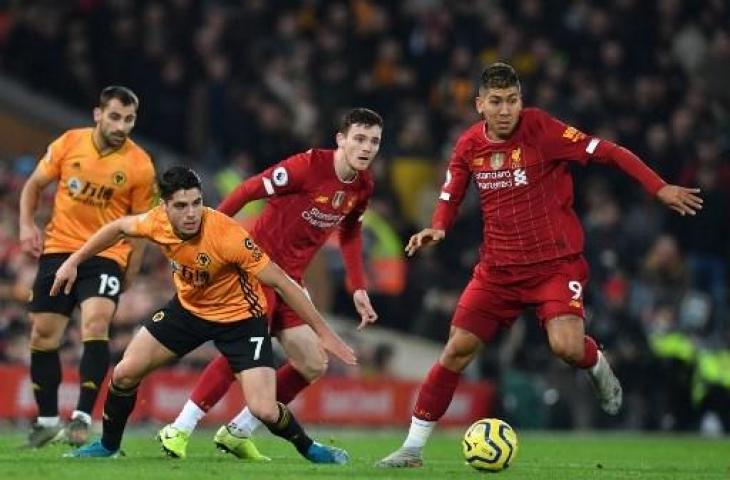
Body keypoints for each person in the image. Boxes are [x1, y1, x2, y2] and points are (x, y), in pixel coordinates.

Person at [376, 63, 703, 468]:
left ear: (521, 102)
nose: (505, 110)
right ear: (480, 105)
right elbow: (450, 193)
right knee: (456, 350)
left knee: (565, 347)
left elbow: (608, 151)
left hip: (554, 266)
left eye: (512, 100)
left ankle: (597, 363)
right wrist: (438, 228)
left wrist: (659, 187)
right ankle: (411, 448)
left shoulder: (542, 130)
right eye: (496, 102)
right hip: (497, 271)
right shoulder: (468, 146)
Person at [54, 166, 354, 463]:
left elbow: (281, 282)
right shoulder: (155, 222)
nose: (191, 213)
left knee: (264, 408)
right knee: (123, 374)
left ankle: (310, 449)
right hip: (188, 311)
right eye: (181, 206)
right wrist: (74, 261)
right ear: (165, 207)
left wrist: (324, 332)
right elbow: (118, 227)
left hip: (241, 321)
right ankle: (108, 446)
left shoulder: (226, 235)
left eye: (197, 203)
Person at [157, 108, 382, 460]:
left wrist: (358, 287)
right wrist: (206, 234)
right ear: (341, 139)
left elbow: (351, 231)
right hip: (256, 268)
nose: (366, 147)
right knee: (244, 353)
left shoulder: (363, 184)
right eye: (359, 138)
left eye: (374, 141)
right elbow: (248, 189)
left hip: (291, 280)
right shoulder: (307, 166)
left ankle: (238, 431)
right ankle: (180, 428)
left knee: (312, 363)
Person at [18, 86, 156, 448]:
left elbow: (141, 225)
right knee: (42, 335)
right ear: (98, 114)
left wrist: (132, 266)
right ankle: (47, 420)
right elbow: (33, 185)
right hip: (59, 249)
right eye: (114, 116)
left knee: (95, 324)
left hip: (106, 255)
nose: (121, 125)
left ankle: (81, 417)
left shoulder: (140, 164)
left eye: (128, 119)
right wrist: (26, 225)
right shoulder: (69, 143)